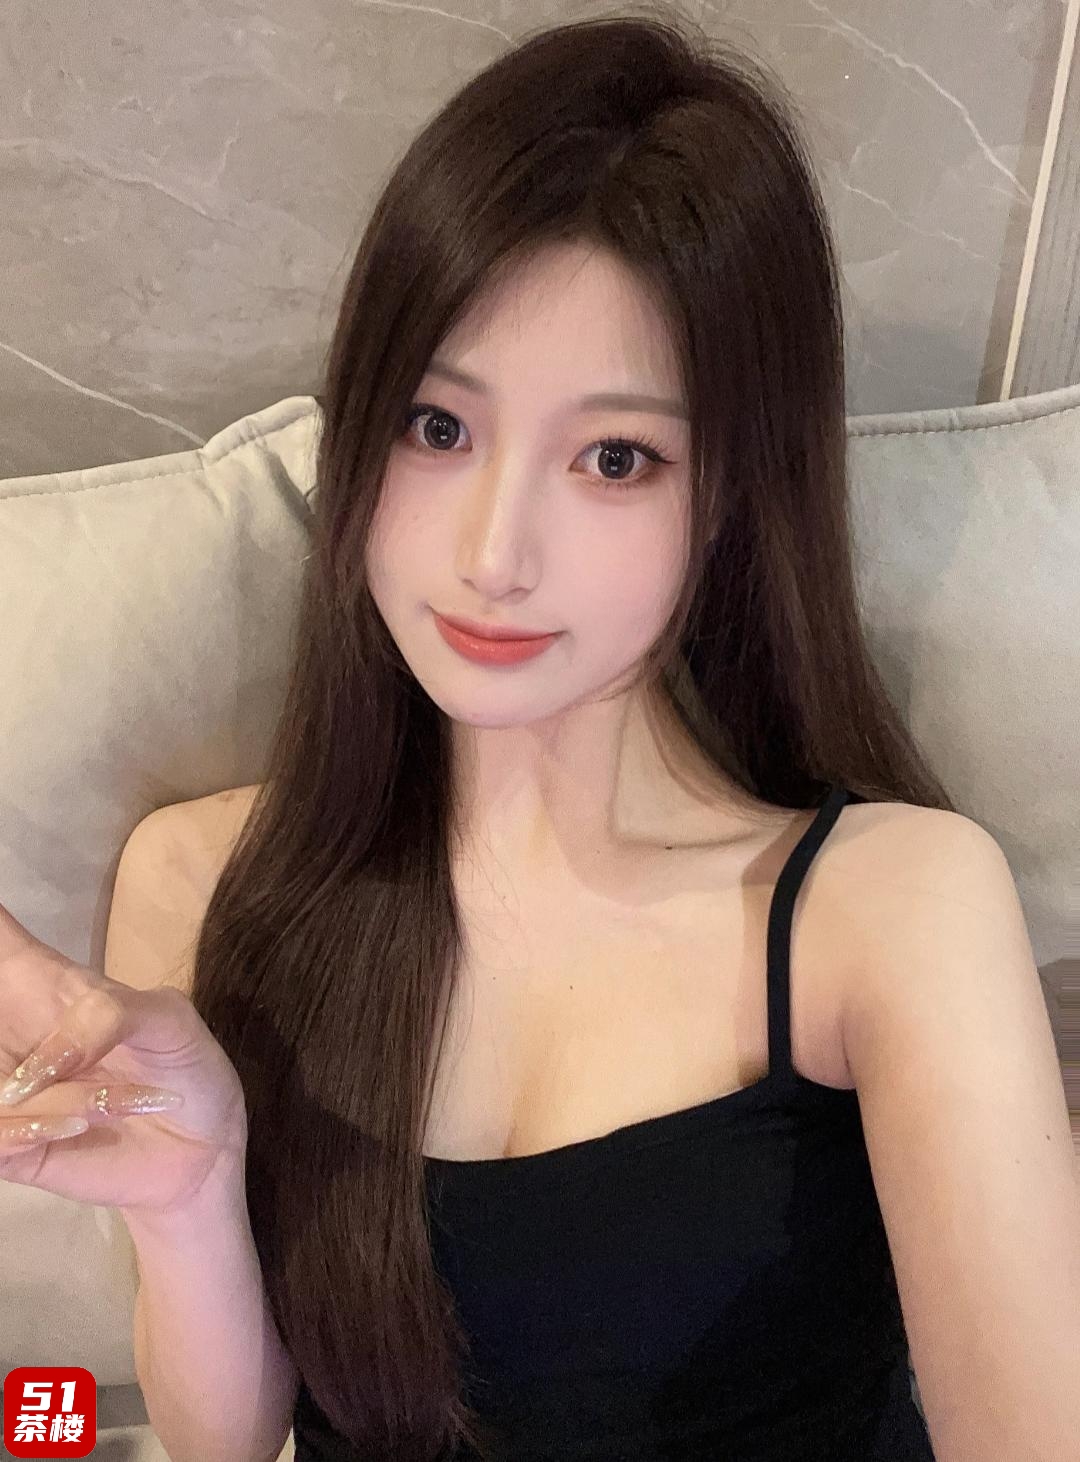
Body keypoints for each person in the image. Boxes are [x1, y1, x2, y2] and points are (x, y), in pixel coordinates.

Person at [4, 11, 1078, 1462]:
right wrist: (190, 1196)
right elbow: (228, 1439)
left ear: (730, 497)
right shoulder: (207, 885)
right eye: (438, 429)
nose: (493, 554)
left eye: (615, 458)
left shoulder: (888, 907)